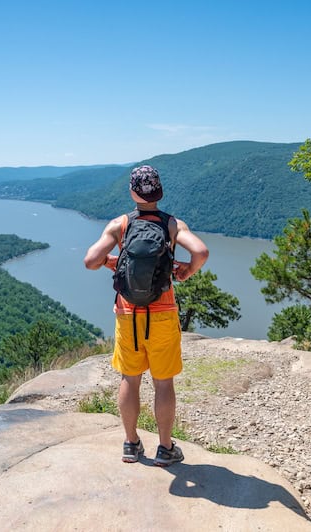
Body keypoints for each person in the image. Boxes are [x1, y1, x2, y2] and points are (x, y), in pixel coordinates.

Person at [83, 165, 209, 466]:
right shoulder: (173, 225)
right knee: (163, 383)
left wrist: (112, 263)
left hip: (129, 313)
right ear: (159, 191)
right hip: (163, 312)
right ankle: (165, 448)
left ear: (132, 191)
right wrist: (187, 271)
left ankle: (131, 444)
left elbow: (90, 261)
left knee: (131, 378)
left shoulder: (120, 224)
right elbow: (201, 252)